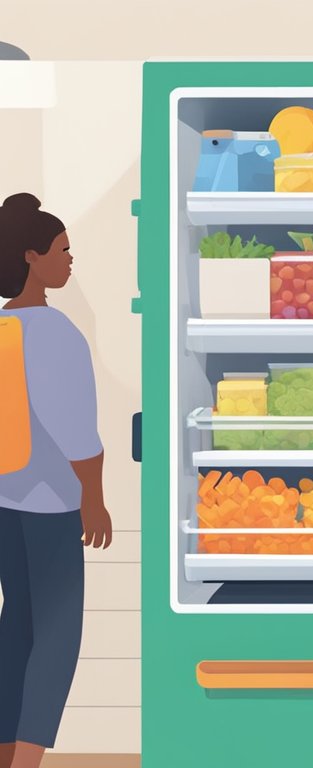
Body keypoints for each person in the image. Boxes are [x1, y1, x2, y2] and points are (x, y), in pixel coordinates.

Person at [0, 193, 112, 768]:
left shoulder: (3, 328)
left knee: (16, 624)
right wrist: (93, 500)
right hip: (50, 505)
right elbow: (76, 433)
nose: (70, 261)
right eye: (62, 251)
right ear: (31, 257)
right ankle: (28, 761)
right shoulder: (54, 332)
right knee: (58, 634)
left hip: (6, 499)